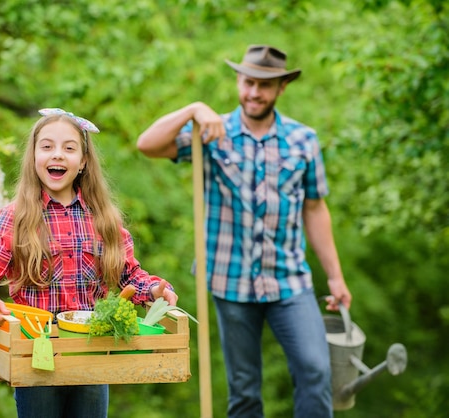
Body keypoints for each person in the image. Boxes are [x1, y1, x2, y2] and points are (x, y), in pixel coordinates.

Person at [136, 45, 352, 418]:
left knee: (316, 370)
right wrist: (192, 110)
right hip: (230, 281)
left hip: (289, 280)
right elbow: (147, 144)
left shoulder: (304, 140)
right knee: (244, 390)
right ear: (239, 81)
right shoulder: (211, 132)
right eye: (248, 82)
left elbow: (315, 208)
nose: (255, 92)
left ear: (281, 88)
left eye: (265, 85)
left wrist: (335, 276)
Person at [0, 108, 178, 418]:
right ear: (33, 155)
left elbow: (130, 275)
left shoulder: (102, 218)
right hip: (37, 353)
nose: (57, 155)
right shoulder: (15, 218)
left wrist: (155, 289)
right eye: (47, 146)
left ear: (84, 161)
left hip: (91, 350)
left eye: (69, 147)